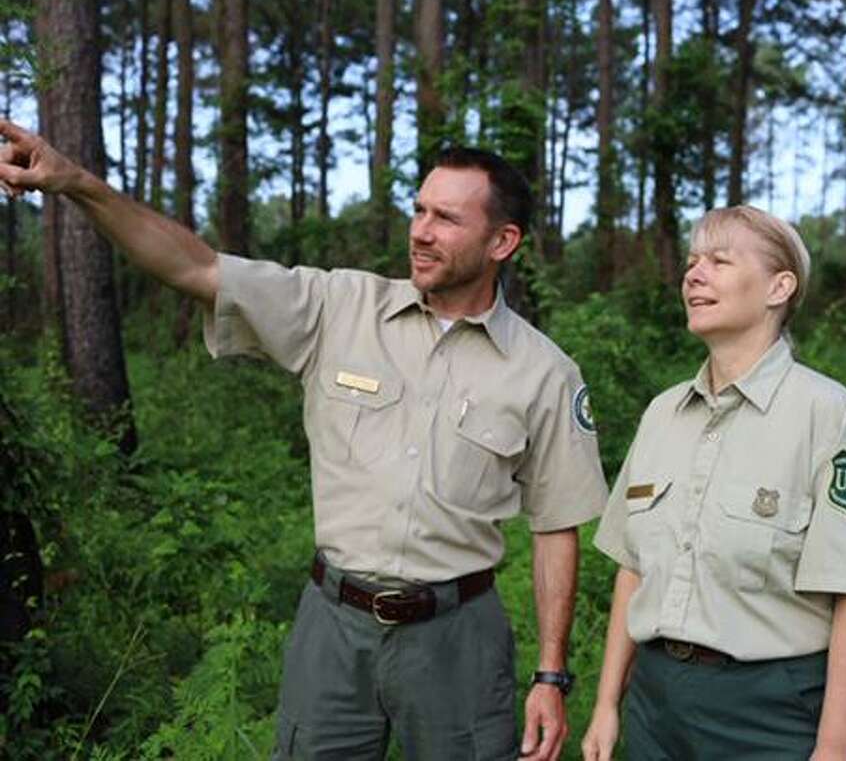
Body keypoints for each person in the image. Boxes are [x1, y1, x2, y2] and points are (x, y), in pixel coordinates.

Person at [0, 119, 609, 761]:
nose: (422, 232)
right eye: (420, 209)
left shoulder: (544, 373)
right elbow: (196, 267)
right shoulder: (338, 307)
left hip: (458, 638)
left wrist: (550, 675)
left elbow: (556, 527)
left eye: (448, 219)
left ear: (502, 241)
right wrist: (76, 183)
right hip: (333, 627)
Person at [581, 205, 846, 761]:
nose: (694, 274)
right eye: (692, 262)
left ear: (779, 287)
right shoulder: (662, 414)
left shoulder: (828, 415)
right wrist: (608, 705)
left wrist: (837, 745)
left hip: (769, 712)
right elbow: (633, 569)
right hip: (656, 707)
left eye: (719, 261)